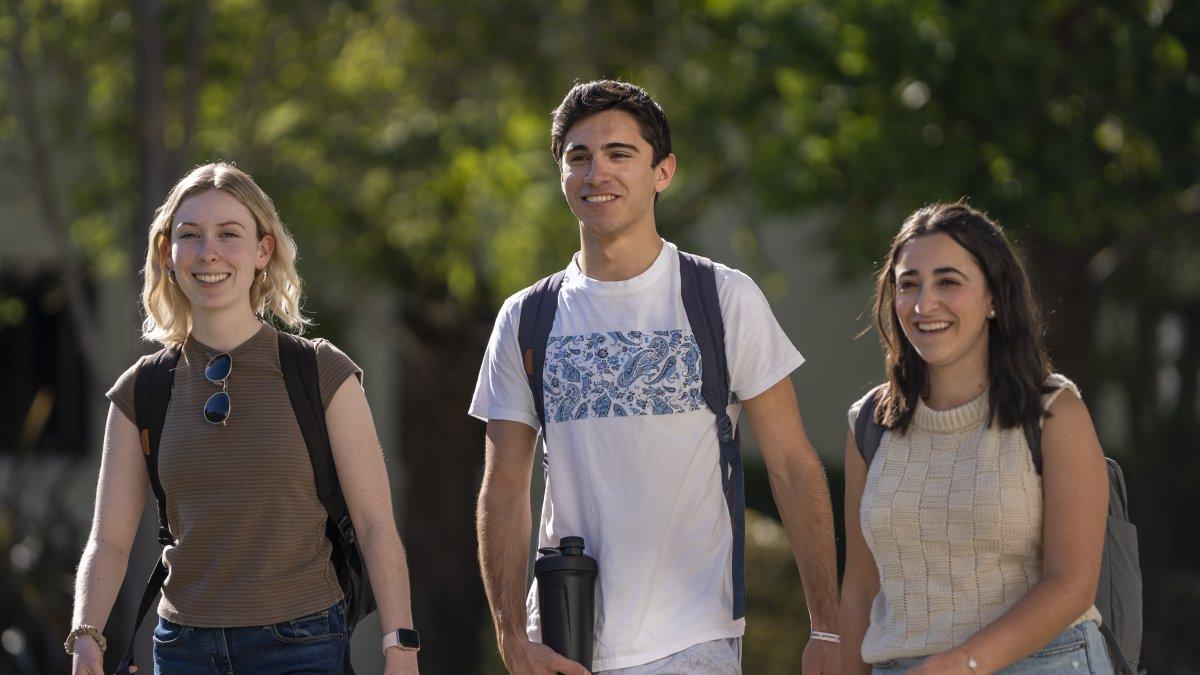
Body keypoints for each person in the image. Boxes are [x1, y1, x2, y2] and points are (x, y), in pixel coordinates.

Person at [470, 80, 841, 675]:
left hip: (693, 641)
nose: (598, 174)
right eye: (578, 157)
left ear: (662, 171)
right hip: (564, 644)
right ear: (561, 174)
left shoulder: (721, 298)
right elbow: (505, 486)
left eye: (621, 154)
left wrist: (827, 627)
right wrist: (512, 636)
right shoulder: (525, 317)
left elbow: (794, 466)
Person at [67, 163, 420, 674]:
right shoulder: (142, 389)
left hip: (302, 643)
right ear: (169, 254)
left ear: (263, 251)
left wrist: (401, 647)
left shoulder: (321, 372)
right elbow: (108, 540)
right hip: (183, 650)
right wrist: (86, 637)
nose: (208, 251)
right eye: (190, 236)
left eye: (229, 234)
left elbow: (375, 525)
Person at [839, 202, 1114, 674]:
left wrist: (963, 662)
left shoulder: (1053, 411)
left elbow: (1072, 583)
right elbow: (860, 591)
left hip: (1045, 663)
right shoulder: (870, 422)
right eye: (909, 285)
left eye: (948, 281)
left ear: (993, 297)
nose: (925, 305)